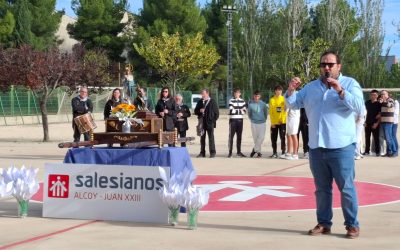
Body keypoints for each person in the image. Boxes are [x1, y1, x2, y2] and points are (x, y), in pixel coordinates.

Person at [285, 51, 364, 239]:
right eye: (323, 65)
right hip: (317, 147)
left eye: (330, 64)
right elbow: (294, 104)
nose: (326, 68)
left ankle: (352, 225)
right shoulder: (311, 87)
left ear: (339, 66)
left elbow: (360, 107)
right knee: (321, 189)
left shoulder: (350, 84)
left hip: (341, 147)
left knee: (346, 188)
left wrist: (340, 91)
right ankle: (323, 223)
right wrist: (291, 90)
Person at [194, 89, 219, 158]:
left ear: (207, 94)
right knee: (202, 138)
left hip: (210, 123)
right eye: (201, 94)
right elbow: (195, 111)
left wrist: (212, 121)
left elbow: (217, 113)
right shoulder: (200, 102)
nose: (202, 95)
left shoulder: (212, 102)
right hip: (202, 123)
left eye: (203, 94)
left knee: (211, 138)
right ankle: (202, 153)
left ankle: (212, 152)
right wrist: (199, 110)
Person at [247, 90, 268, 158]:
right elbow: (249, 114)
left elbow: (265, 113)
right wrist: (252, 119)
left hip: (262, 123)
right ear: (253, 96)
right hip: (254, 123)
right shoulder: (250, 105)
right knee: (255, 139)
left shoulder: (263, 104)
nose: (256, 97)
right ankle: (259, 152)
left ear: (260, 96)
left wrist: (264, 119)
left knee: (261, 138)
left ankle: (254, 150)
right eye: (255, 96)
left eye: (258, 96)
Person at [228, 88, 247, 158]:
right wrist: (240, 110)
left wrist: (236, 110)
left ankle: (239, 152)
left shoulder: (242, 101)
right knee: (231, 137)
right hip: (233, 120)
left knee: (239, 137)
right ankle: (230, 152)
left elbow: (244, 112)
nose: (236, 94)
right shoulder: (231, 100)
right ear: (234, 93)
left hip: (240, 120)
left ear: (240, 93)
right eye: (235, 93)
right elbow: (231, 110)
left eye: (238, 93)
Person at [269, 85, 287, 158]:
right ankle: (274, 152)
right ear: (275, 91)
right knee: (274, 138)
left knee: (282, 137)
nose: (278, 91)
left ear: (282, 91)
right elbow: (271, 112)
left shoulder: (284, 99)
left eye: (280, 90)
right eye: (277, 90)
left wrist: (282, 120)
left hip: (282, 122)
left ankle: (283, 152)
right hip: (274, 123)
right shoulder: (272, 100)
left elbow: (285, 111)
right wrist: (273, 123)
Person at [363, 89, 381, 156]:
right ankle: (366, 151)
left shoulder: (379, 104)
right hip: (367, 123)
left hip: (375, 124)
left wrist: (377, 123)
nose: (373, 96)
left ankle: (377, 152)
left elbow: (380, 115)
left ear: (377, 96)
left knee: (376, 138)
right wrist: (364, 122)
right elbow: (363, 113)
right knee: (367, 138)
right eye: (372, 95)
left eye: (374, 95)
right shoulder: (367, 103)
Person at [284, 89, 301, 160]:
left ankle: (295, 154)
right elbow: (286, 106)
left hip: (294, 117)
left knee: (294, 134)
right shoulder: (287, 93)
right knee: (288, 134)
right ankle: (288, 153)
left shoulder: (297, 94)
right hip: (289, 116)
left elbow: (292, 105)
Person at [379, 90, 396, 157]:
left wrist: (383, 102)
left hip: (388, 122)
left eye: (383, 94)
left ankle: (394, 151)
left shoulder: (390, 100)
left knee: (389, 138)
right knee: (387, 138)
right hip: (383, 121)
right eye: (381, 94)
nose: (382, 95)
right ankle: (388, 152)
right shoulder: (382, 101)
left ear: (387, 94)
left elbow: (390, 105)